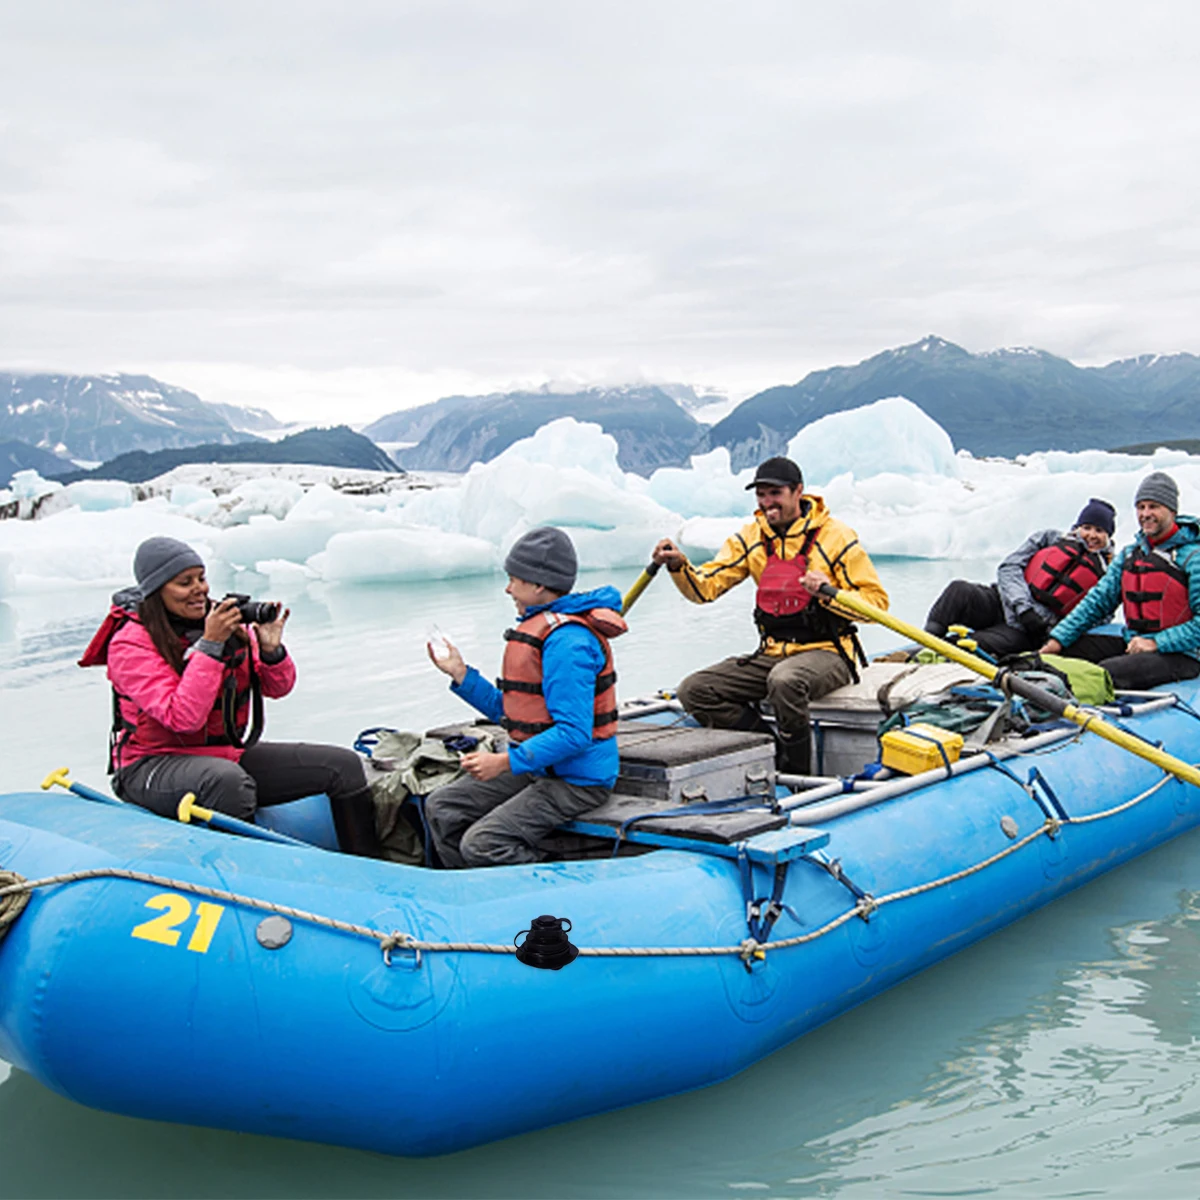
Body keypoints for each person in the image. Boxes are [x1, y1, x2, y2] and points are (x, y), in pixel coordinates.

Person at [78, 536, 382, 856]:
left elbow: (278, 688)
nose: (200, 589)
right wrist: (210, 646)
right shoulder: (131, 643)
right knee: (227, 783)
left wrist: (271, 650)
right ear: (156, 590)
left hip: (222, 754)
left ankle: (369, 867)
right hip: (150, 765)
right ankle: (243, 879)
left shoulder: (222, 623)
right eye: (184, 582)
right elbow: (182, 717)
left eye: (201, 578)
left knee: (343, 766)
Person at [651, 455, 888, 775]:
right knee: (695, 690)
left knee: (786, 680)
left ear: (798, 491)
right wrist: (680, 566)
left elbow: (876, 604)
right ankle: (770, 749)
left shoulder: (836, 537)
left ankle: (797, 775)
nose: (767, 502)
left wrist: (831, 594)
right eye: (761, 495)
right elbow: (705, 590)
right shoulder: (750, 538)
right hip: (773, 652)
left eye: (775, 493)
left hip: (829, 653)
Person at [424, 526, 626, 868]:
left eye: (514, 579)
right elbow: (516, 713)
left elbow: (574, 734)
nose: (508, 588)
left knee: (483, 844)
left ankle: (550, 895)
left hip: (578, 781)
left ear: (538, 585)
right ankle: (470, 892)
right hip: (540, 768)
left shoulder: (568, 643)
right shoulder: (541, 630)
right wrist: (460, 674)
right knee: (443, 807)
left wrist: (503, 762)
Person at [1041, 472, 1200, 690]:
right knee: (1065, 653)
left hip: (1182, 654)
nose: (1145, 514)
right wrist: (1057, 640)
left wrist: (1156, 643)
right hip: (1134, 643)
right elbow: (1097, 601)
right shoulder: (1130, 555)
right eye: (1141, 507)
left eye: (1154, 507)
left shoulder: (1193, 558)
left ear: (1172, 511)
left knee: (1108, 671)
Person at [924, 498, 1116, 658]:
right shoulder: (1049, 539)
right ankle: (925, 643)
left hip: (1029, 631)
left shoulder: (1108, 574)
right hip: (1002, 601)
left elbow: (1098, 617)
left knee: (975, 645)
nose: (1092, 535)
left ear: (1108, 536)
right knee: (958, 591)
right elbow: (1009, 567)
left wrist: (1050, 629)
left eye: (1099, 531)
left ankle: (937, 657)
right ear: (1078, 526)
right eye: (1087, 527)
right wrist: (1022, 607)